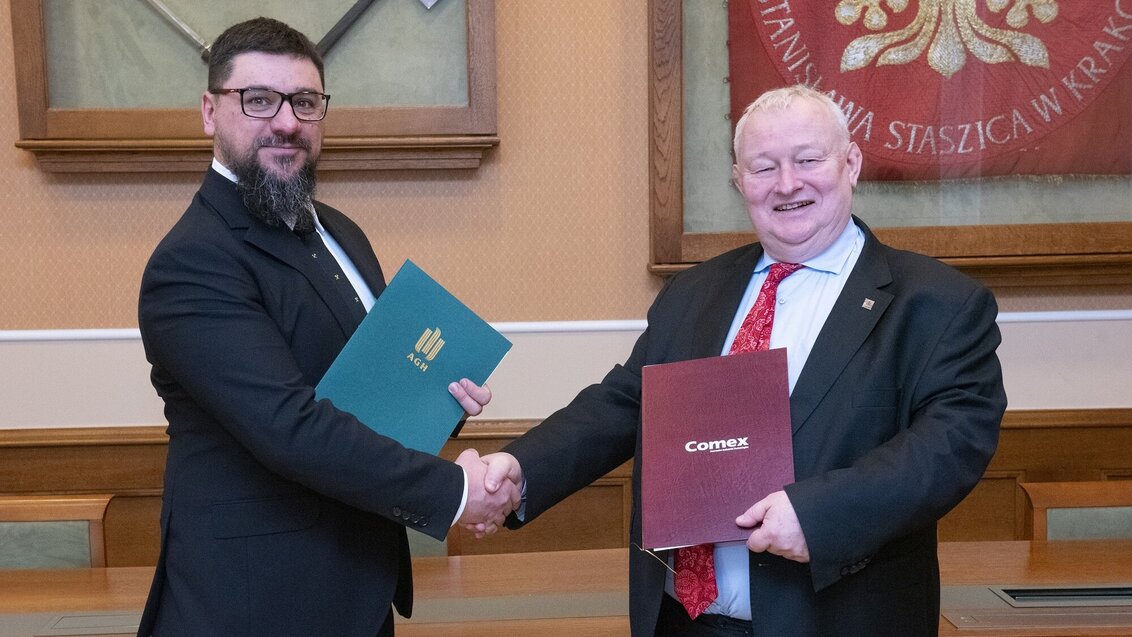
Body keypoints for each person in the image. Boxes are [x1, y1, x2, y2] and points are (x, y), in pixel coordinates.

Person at [479, 85, 1006, 636]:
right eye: (763, 167)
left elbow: (950, 445)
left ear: (850, 164)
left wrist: (819, 516)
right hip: (681, 621)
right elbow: (626, 405)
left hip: (837, 618)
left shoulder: (938, 303)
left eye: (807, 160)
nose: (787, 184)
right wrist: (521, 470)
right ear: (739, 181)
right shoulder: (693, 293)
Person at [136, 17, 518, 637]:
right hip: (252, 603)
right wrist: (452, 490)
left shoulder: (340, 232)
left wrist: (436, 401)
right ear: (210, 111)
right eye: (258, 100)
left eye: (305, 102)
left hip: (353, 588)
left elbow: (363, 390)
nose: (286, 122)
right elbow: (288, 427)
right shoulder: (192, 261)